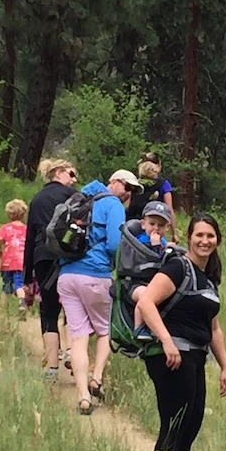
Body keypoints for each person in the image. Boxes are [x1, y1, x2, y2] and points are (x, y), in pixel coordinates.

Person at [136, 213, 226, 451]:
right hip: (172, 357)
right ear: (189, 236)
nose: (205, 241)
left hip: (196, 356)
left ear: (217, 240)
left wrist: (225, 367)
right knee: (173, 424)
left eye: (211, 236)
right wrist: (167, 342)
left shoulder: (209, 278)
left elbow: (214, 328)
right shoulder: (177, 267)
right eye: (199, 235)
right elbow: (147, 302)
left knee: (190, 425)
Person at [57, 169, 142, 414]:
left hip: (67, 276)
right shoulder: (112, 203)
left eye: (132, 190)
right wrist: (119, 267)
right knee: (105, 330)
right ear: (113, 182)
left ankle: (83, 396)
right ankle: (96, 378)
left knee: (79, 336)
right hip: (95, 275)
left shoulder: (80, 199)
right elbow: (116, 243)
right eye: (126, 186)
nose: (128, 193)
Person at [23, 159, 78, 381]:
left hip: (43, 257)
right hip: (69, 257)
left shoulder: (37, 200)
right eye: (71, 174)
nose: (74, 179)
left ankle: (52, 368)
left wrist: (27, 277)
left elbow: (29, 238)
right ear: (58, 172)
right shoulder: (74, 197)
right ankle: (72, 353)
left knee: (49, 310)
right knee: (72, 308)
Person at [130, 200, 171, 341]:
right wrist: (155, 246)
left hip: (155, 282)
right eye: (152, 224)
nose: (156, 229)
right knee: (146, 296)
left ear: (167, 228)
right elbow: (150, 258)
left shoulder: (163, 241)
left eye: (161, 225)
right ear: (143, 224)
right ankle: (139, 327)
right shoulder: (140, 240)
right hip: (136, 283)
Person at [126, 152, 178, 243]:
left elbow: (127, 206)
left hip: (131, 227)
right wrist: (174, 233)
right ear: (158, 166)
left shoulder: (135, 184)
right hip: (155, 228)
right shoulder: (163, 184)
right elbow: (169, 209)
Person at [0, 199, 28, 319]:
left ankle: (0, 308)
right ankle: (21, 303)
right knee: (19, 284)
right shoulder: (26, 229)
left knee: (7, 285)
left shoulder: (5, 228)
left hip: (8, 261)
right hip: (22, 261)